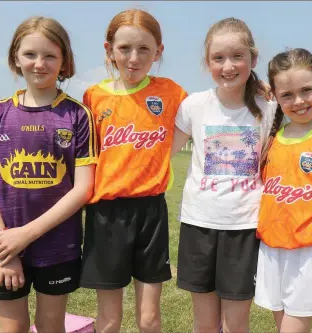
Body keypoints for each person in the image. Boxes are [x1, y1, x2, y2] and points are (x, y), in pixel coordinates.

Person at [79, 9, 188, 333]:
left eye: (144, 49)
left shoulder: (171, 92)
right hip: (106, 215)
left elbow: (213, 108)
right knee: (110, 321)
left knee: (149, 319)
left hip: (151, 213)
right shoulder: (93, 97)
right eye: (124, 48)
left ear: (159, 51)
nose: (133, 58)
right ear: (109, 49)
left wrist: (256, 88)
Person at [0, 16, 97, 333]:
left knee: (51, 326)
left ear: (64, 61)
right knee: (12, 328)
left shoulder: (77, 115)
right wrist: (3, 248)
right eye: (30, 54)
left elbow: (83, 189)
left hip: (57, 247)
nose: (40, 64)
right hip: (3, 246)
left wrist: (26, 234)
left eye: (50, 55)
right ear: (15, 58)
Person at [170, 17, 278, 333]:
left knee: (235, 323)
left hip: (245, 225)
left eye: (237, 56)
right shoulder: (193, 106)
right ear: (208, 63)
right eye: (218, 58)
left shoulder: (270, 106)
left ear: (253, 59)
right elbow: (162, 154)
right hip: (198, 223)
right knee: (204, 323)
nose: (228, 66)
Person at [255, 48, 312, 333]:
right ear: (276, 97)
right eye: (287, 95)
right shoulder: (271, 140)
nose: (299, 101)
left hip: (310, 254)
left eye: (307, 90)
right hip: (271, 252)